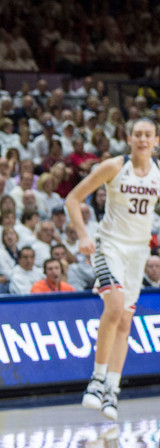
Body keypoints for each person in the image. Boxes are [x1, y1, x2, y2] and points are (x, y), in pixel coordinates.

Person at [66, 119, 160, 422]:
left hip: (138, 252)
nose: (143, 139)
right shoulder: (114, 167)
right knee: (115, 305)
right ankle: (96, 379)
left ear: (156, 140)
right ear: (129, 138)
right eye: (138, 134)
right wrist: (82, 234)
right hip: (109, 246)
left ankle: (112, 390)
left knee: (125, 321)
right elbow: (73, 198)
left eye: (148, 135)